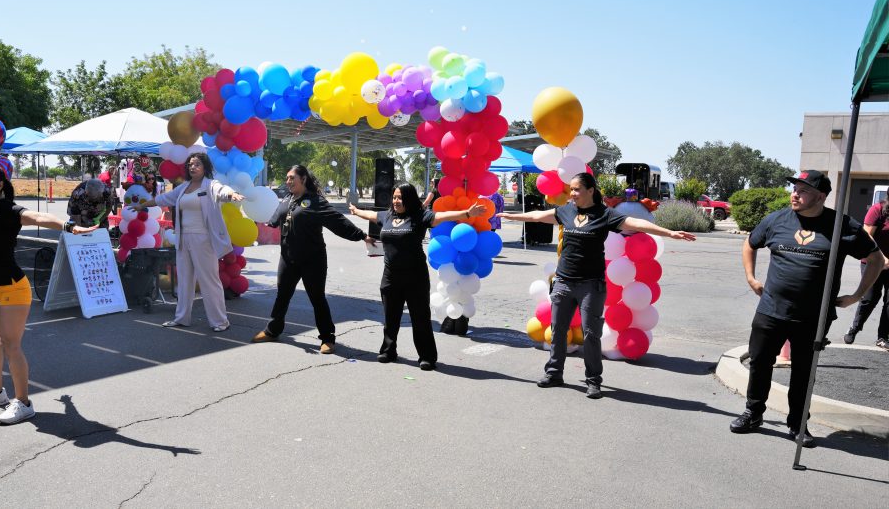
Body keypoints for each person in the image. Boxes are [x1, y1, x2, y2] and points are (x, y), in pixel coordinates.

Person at [498, 172, 695, 399]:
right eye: (571, 189)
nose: (572, 194)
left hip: (591, 285)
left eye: (577, 189)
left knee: (591, 334)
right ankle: (554, 373)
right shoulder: (566, 211)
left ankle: (593, 380)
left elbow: (636, 223)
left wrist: (669, 232)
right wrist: (512, 217)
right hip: (563, 282)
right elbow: (538, 216)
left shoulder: (604, 214)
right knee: (558, 331)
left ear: (590, 190)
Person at [734, 170, 883, 446]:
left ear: (821, 196)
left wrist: (857, 295)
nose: (795, 194)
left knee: (803, 371)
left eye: (802, 190)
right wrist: (751, 278)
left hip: (813, 315)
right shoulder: (777, 220)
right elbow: (750, 243)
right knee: (760, 363)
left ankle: (797, 424)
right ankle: (753, 414)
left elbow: (875, 259)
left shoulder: (842, 226)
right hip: (771, 310)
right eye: (794, 189)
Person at [0, 163, 97, 424]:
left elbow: (37, 217)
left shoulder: (9, 210)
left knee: (10, 345)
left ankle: (23, 402)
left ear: (0, 185)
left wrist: (69, 227)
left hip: (13, 287)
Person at [349, 184, 486, 370]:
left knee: (420, 317)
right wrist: (356, 211)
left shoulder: (421, 216)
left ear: (410, 199)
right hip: (390, 276)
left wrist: (467, 214)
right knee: (391, 317)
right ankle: (388, 350)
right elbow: (371, 215)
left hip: (415, 276)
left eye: (401, 198)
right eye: (395, 197)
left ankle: (427, 356)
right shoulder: (387, 216)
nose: (397, 201)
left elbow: (442, 216)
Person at [251, 165, 373, 354]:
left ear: (303, 179)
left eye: (292, 178)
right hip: (288, 258)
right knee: (282, 295)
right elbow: (279, 214)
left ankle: (328, 339)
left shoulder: (316, 202)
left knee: (317, 298)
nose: (288, 181)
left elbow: (337, 221)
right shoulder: (288, 198)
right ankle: (273, 331)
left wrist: (361, 235)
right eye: (287, 178)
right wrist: (270, 222)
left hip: (312, 260)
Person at [129, 153, 244, 331]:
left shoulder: (210, 185)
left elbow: (222, 190)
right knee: (184, 280)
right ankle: (182, 317)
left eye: (197, 164)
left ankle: (220, 321)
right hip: (184, 238)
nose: (193, 167)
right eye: (190, 164)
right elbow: (162, 199)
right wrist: (142, 206)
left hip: (203, 239)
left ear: (205, 167)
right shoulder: (183, 187)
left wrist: (232, 194)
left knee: (209, 281)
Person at [844, 198, 889, 348]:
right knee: (870, 297)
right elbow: (867, 236)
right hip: (873, 261)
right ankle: (854, 328)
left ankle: (883, 337)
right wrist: (882, 258)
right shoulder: (877, 210)